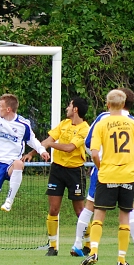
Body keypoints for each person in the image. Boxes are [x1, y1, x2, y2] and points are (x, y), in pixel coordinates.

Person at [74, 87, 134, 257]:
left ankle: (79, 245)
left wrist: (100, 161)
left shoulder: (103, 118)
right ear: (126, 103)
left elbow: (89, 144)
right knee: (128, 208)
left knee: (92, 206)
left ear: (108, 103)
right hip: (127, 170)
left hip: (104, 169)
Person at [0, 93, 50, 257]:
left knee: (19, 163)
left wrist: (42, 151)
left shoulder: (22, 124)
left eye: (0, 106)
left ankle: (9, 200)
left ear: (8, 109)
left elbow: (32, 140)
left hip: (11, 164)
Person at [23, 97, 89, 256]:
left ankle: (87, 244)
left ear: (75, 110)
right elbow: (47, 141)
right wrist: (33, 153)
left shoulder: (85, 128)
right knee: (53, 209)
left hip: (75, 171)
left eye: (69, 105)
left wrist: (51, 145)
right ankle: (52, 246)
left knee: (80, 211)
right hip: (57, 170)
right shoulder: (64, 124)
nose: (66, 108)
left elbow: (69, 147)